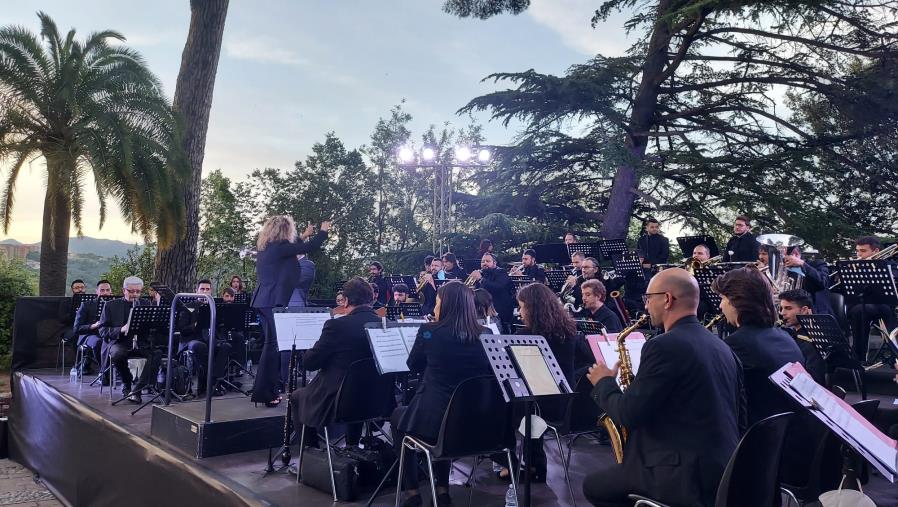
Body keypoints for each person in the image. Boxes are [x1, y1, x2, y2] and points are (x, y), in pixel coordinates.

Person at [584, 268, 743, 507]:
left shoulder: (663, 346)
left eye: (649, 299)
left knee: (593, 487)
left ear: (667, 299)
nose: (646, 306)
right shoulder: (722, 347)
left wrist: (604, 382)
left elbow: (629, 414)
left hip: (682, 475)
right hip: (723, 472)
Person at [391, 281, 493, 507]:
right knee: (446, 414)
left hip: (438, 425)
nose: (434, 307)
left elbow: (413, 364)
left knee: (400, 416)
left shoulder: (429, 332)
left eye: (437, 302)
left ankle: (411, 492)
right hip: (478, 424)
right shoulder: (486, 333)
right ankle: (442, 488)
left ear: (445, 305)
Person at [290, 278, 384, 447]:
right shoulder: (384, 325)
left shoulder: (336, 326)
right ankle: (352, 447)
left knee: (297, 397)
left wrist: (308, 348)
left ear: (346, 300)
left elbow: (310, 364)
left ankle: (311, 454)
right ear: (371, 299)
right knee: (357, 388)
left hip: (339, 401)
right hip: (377, 398)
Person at [251, 215, 330, 407]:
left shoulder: (269, 247)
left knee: (271, 346)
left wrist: (304, 235)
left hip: (263, 300)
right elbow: (307, 249)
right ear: (285, 230)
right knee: (272, 348)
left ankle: (265, 391)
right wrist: (323, 232)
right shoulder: (280, 248)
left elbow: (294, 248)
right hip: (271, 301)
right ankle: (266, 393)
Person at [712, 267, 803, 426]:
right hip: (790, 434)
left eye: (722, 298)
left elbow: (718, 402)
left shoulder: (737, 344)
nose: (720, 306)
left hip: (757, 441)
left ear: (736, 301)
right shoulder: (785, 338)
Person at [97, 276, 162, 404]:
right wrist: (121, 329)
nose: (135, 295)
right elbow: (102, 330)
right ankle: (126, 381)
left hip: (140, 343)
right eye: (131, 291)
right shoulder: (111, 305)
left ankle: (137, 389)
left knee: (157, 353)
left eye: (138, 291)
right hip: (120, 342)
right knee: (117, 354)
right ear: (124, 290)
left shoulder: (145, 304)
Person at [178, 279, 232, 396]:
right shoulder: (188, 307)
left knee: (225, 346)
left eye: (207, 289)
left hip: (210, 338)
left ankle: (212, 381)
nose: (205, 291)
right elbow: (182, 329)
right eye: (202, 289)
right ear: (196, 290)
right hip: (191, 340)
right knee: (199, 346)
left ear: (211, 291)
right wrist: (196, 324)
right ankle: (212, 384)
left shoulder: (214, 307)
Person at [845, 236, 896, 362]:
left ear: (875, 251)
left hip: (884, 305)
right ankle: (857, 355)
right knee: (857, 310)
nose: (859, 254)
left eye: (863, 251)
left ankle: (860, 354)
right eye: (857, 251)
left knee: (859, 310)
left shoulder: (890, 265)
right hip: (860, 305)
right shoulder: (855, 266)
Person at [779, 289, 827, 384]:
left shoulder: (813, 341)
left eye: (788, 308)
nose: (782, 313)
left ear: (804, 310)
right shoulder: (788, 333)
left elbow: (813, 380)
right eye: (781, 308)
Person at [72, 280, 114, 374]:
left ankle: (119, 371)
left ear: (111, 291)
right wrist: (93, 325)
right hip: (89, 335)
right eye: (102, 290)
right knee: (99, 342)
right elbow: (76, 328)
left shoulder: (115, 304)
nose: (105, 293)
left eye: (107, 290)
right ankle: (104, 372)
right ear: (97, 291)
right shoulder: (86, 305)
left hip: (109, 333)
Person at [781, 245, 834, 316]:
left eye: (784, 255)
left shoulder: (818, 264)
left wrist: (803, 264)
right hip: (790, 312)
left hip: (815, 312)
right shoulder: (783, 269)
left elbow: (822, 283)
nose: (782, 259)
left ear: (795, 254)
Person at [469, 253, 514, 332]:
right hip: (481, 311)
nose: (484, 263)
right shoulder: (481, 273)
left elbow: (498, 287)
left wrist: (481, 279)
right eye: (482, 261)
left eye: (488, 261)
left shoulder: (501, 272)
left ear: (494, 263)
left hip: (499, 309)